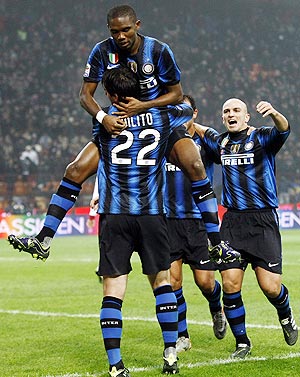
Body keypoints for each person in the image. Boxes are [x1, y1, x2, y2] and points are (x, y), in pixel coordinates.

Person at [8, 5, 240, 266]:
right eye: (115, 31)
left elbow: (176, 94)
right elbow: (85, 96)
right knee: (75, 170)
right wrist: (102, 118)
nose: (120, 36)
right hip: (118, 122)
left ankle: (215, 243)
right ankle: (44, 239)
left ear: (137, 25)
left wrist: (144, 106)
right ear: (109, 30)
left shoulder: (159, 51)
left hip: (157, 121)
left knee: (195, 164)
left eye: (126, 29)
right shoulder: (102, 51)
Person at [95, 66, 195, 376]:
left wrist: (103, 113)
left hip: (115, 213)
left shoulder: (104, 123)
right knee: (162, 283)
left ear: (110, 94)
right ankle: (170, 355)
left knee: (113, 291)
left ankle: (115, 366)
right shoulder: (163, 117)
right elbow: (186, 107)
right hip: (152, 213)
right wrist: (150, 102)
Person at [196, 98, 298, 358]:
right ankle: (242, 343)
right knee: (230, 285)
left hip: (263, 220)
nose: (231, 114)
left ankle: (286, 316)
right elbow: (201, 130)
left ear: (247, 117)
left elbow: (284, 129)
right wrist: (183, 119)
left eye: (236, 110)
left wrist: (274, 112)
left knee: (271, 287)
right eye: (226, 111)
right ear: (223, 118)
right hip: (233, 222)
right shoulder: (221, 143)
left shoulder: (262, 138)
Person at [165, 95, 226, 353]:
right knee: (173, 282)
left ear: (195, 113)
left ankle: (216, 308)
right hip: (169, 222)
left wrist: (197, 128)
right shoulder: (163, 141)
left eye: (185, 112)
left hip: (199, 223)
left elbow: (225, 148)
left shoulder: (204, 141)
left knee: (205, 283)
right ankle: (183, 336)